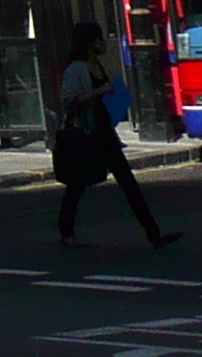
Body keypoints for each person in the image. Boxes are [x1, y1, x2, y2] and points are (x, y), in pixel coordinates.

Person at [55, 21, 179, 247]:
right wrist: (100, 91)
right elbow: (69, 100)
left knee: (128, 182)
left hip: (105, 133)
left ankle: (153, 233)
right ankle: (65, 228)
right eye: (99, 39)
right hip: (87, 134)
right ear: (89, 43)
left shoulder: (99, 66)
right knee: (77, 184)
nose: (103, 43)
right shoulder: (76, 69)